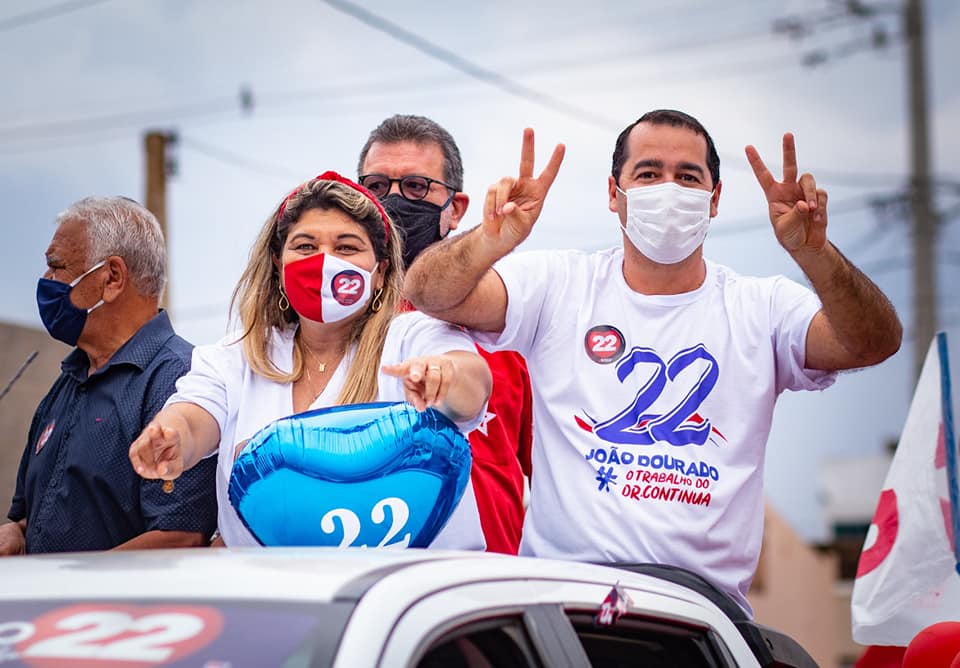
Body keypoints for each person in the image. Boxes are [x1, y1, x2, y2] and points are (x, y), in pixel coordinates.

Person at [403, 110, 903, 615]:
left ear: (715, 199)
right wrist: (492, 240)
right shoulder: (559, 285)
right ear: (613, 194)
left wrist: (814, 253)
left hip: (699, 620)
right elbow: (429, 293)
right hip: (564, 610)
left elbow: (872, 342)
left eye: (688, 176)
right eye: (648, 173)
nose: (668, 189)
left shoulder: (763, 307)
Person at [128, 172, 492, 548]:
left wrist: (445, 377)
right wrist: (170, 436)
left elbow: (473, 385)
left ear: (381, 271)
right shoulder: (235, 357)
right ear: (277, 264)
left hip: (406, 598)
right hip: (280, 598)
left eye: (347, 248)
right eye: (304, 247)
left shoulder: (411, 337)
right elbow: (193, 416)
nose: (324, 262)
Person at [0, 196, 217, 555]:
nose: (46, 281)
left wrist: (71, 588)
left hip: (122, 610)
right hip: (46, 609)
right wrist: (16, 534)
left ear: (112, 278)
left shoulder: (181, 384)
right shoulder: (67, 382)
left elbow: (179, 538)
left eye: (57, 267)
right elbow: (30, 519)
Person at [357, 114, 534, 554]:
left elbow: (559, 475)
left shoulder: (512, 325)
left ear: (455, 209)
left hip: (488, 586)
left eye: (415, 187)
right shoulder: (333, 328)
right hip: (363, 572)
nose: (392, 201)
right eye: (375, 187)